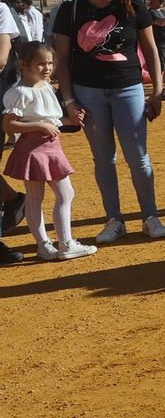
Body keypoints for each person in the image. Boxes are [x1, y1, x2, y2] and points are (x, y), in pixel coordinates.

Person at [53, 0, 165, 240]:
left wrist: (157, 91)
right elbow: (62, 59)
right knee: (103, 159)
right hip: (88, 92)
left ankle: (150, 216)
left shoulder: (132, 5)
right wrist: (69, 101)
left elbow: (151, 50)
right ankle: (114, 219)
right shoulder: (72, 10)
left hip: (128, 88)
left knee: (138, 157)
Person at [3, 41, 96, 260]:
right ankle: (56, 245)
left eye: (50, 63)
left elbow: (49, 119)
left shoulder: (45, 87)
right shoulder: (18, 92)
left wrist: (69, 119)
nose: (47, 69)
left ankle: (54, 245)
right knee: (49, 196)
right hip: (33, 148)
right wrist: (40, 126)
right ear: (24, 64)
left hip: (50, 147)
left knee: (57, 195)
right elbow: (8, 125)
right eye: (41, 64)